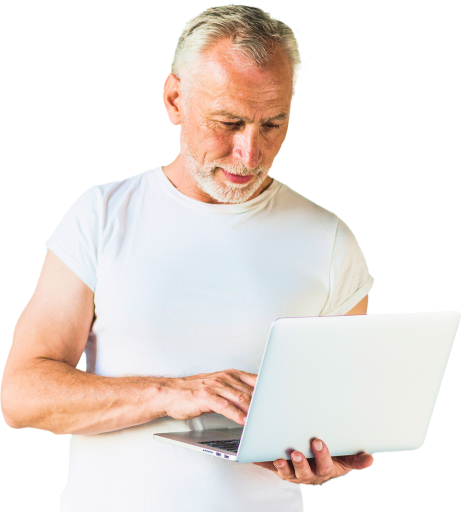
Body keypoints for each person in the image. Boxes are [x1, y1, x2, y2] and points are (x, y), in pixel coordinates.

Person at [1, 4, 375, 511]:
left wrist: (325, 459)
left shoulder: (329, 240)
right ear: (175, 99)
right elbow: (23, 396)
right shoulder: (103, 215)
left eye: (273, 124)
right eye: (228, 121)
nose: (250, 153)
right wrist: (171, 393)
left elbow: (341, 415)